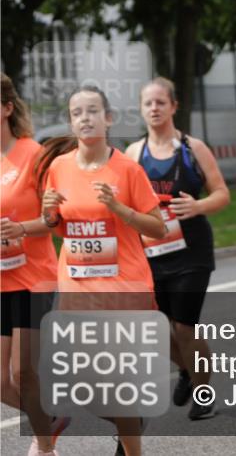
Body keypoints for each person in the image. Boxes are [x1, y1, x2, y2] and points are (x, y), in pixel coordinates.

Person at [36, 85, 166, 456]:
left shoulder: (127, 169)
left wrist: (118, 208)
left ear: (108, 118)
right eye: (77, 112)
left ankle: (132, 446)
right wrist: (49, 212)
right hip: (77, 292)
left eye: (93, 111)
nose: (85, 118)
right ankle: (130, 425)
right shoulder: (59, 168)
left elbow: (157, 228)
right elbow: (60, 227)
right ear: (71, 121)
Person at [125, 78, 230, 421]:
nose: (154, 109)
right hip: (150, 253)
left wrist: (199, 207)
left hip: (192, 252)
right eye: (148, 104)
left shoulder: (192, 147)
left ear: (173, 106)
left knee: (185, 328)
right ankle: (187, 368)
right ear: (141, 110)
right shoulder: (133, 154)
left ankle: (203, 394)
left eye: (160, 102)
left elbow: (221, 194)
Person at [0, 74, 64, 456]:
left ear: (7, 108)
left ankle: (44, 444)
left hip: (34, 275)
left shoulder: (33, 154)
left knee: (23, 372)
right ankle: (50, 421)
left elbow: (56, 219)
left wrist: (21, 227)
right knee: (0, 383)